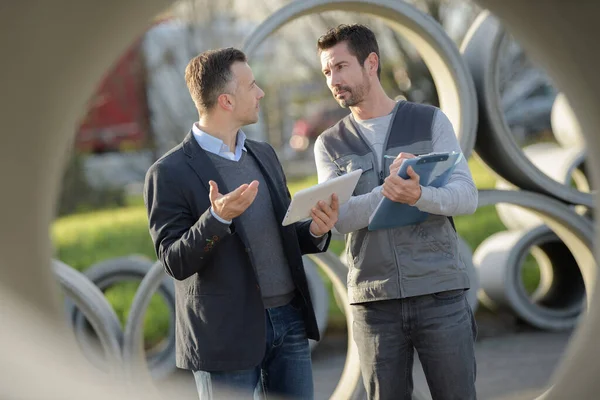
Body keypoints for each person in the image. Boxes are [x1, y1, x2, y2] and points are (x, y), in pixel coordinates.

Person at [143, 47, 339, 400]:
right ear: (226, 101)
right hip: (224, 334)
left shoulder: (263, 154)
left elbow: (281, 232)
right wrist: (217, 218)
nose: (260, 92)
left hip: (289, 320)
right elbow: (175, 261)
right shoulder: (167, 173)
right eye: (251, 86)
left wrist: (315, 229)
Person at [314, 24, 479, 400]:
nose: (333, 79)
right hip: (374, 305)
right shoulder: (329, 144)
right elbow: (339, 220)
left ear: (371, 63)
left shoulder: (430, 120)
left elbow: (466, 196)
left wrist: (418, 193)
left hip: (440, 292)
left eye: (340, 67)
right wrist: (386, 193)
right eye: (327, 72)